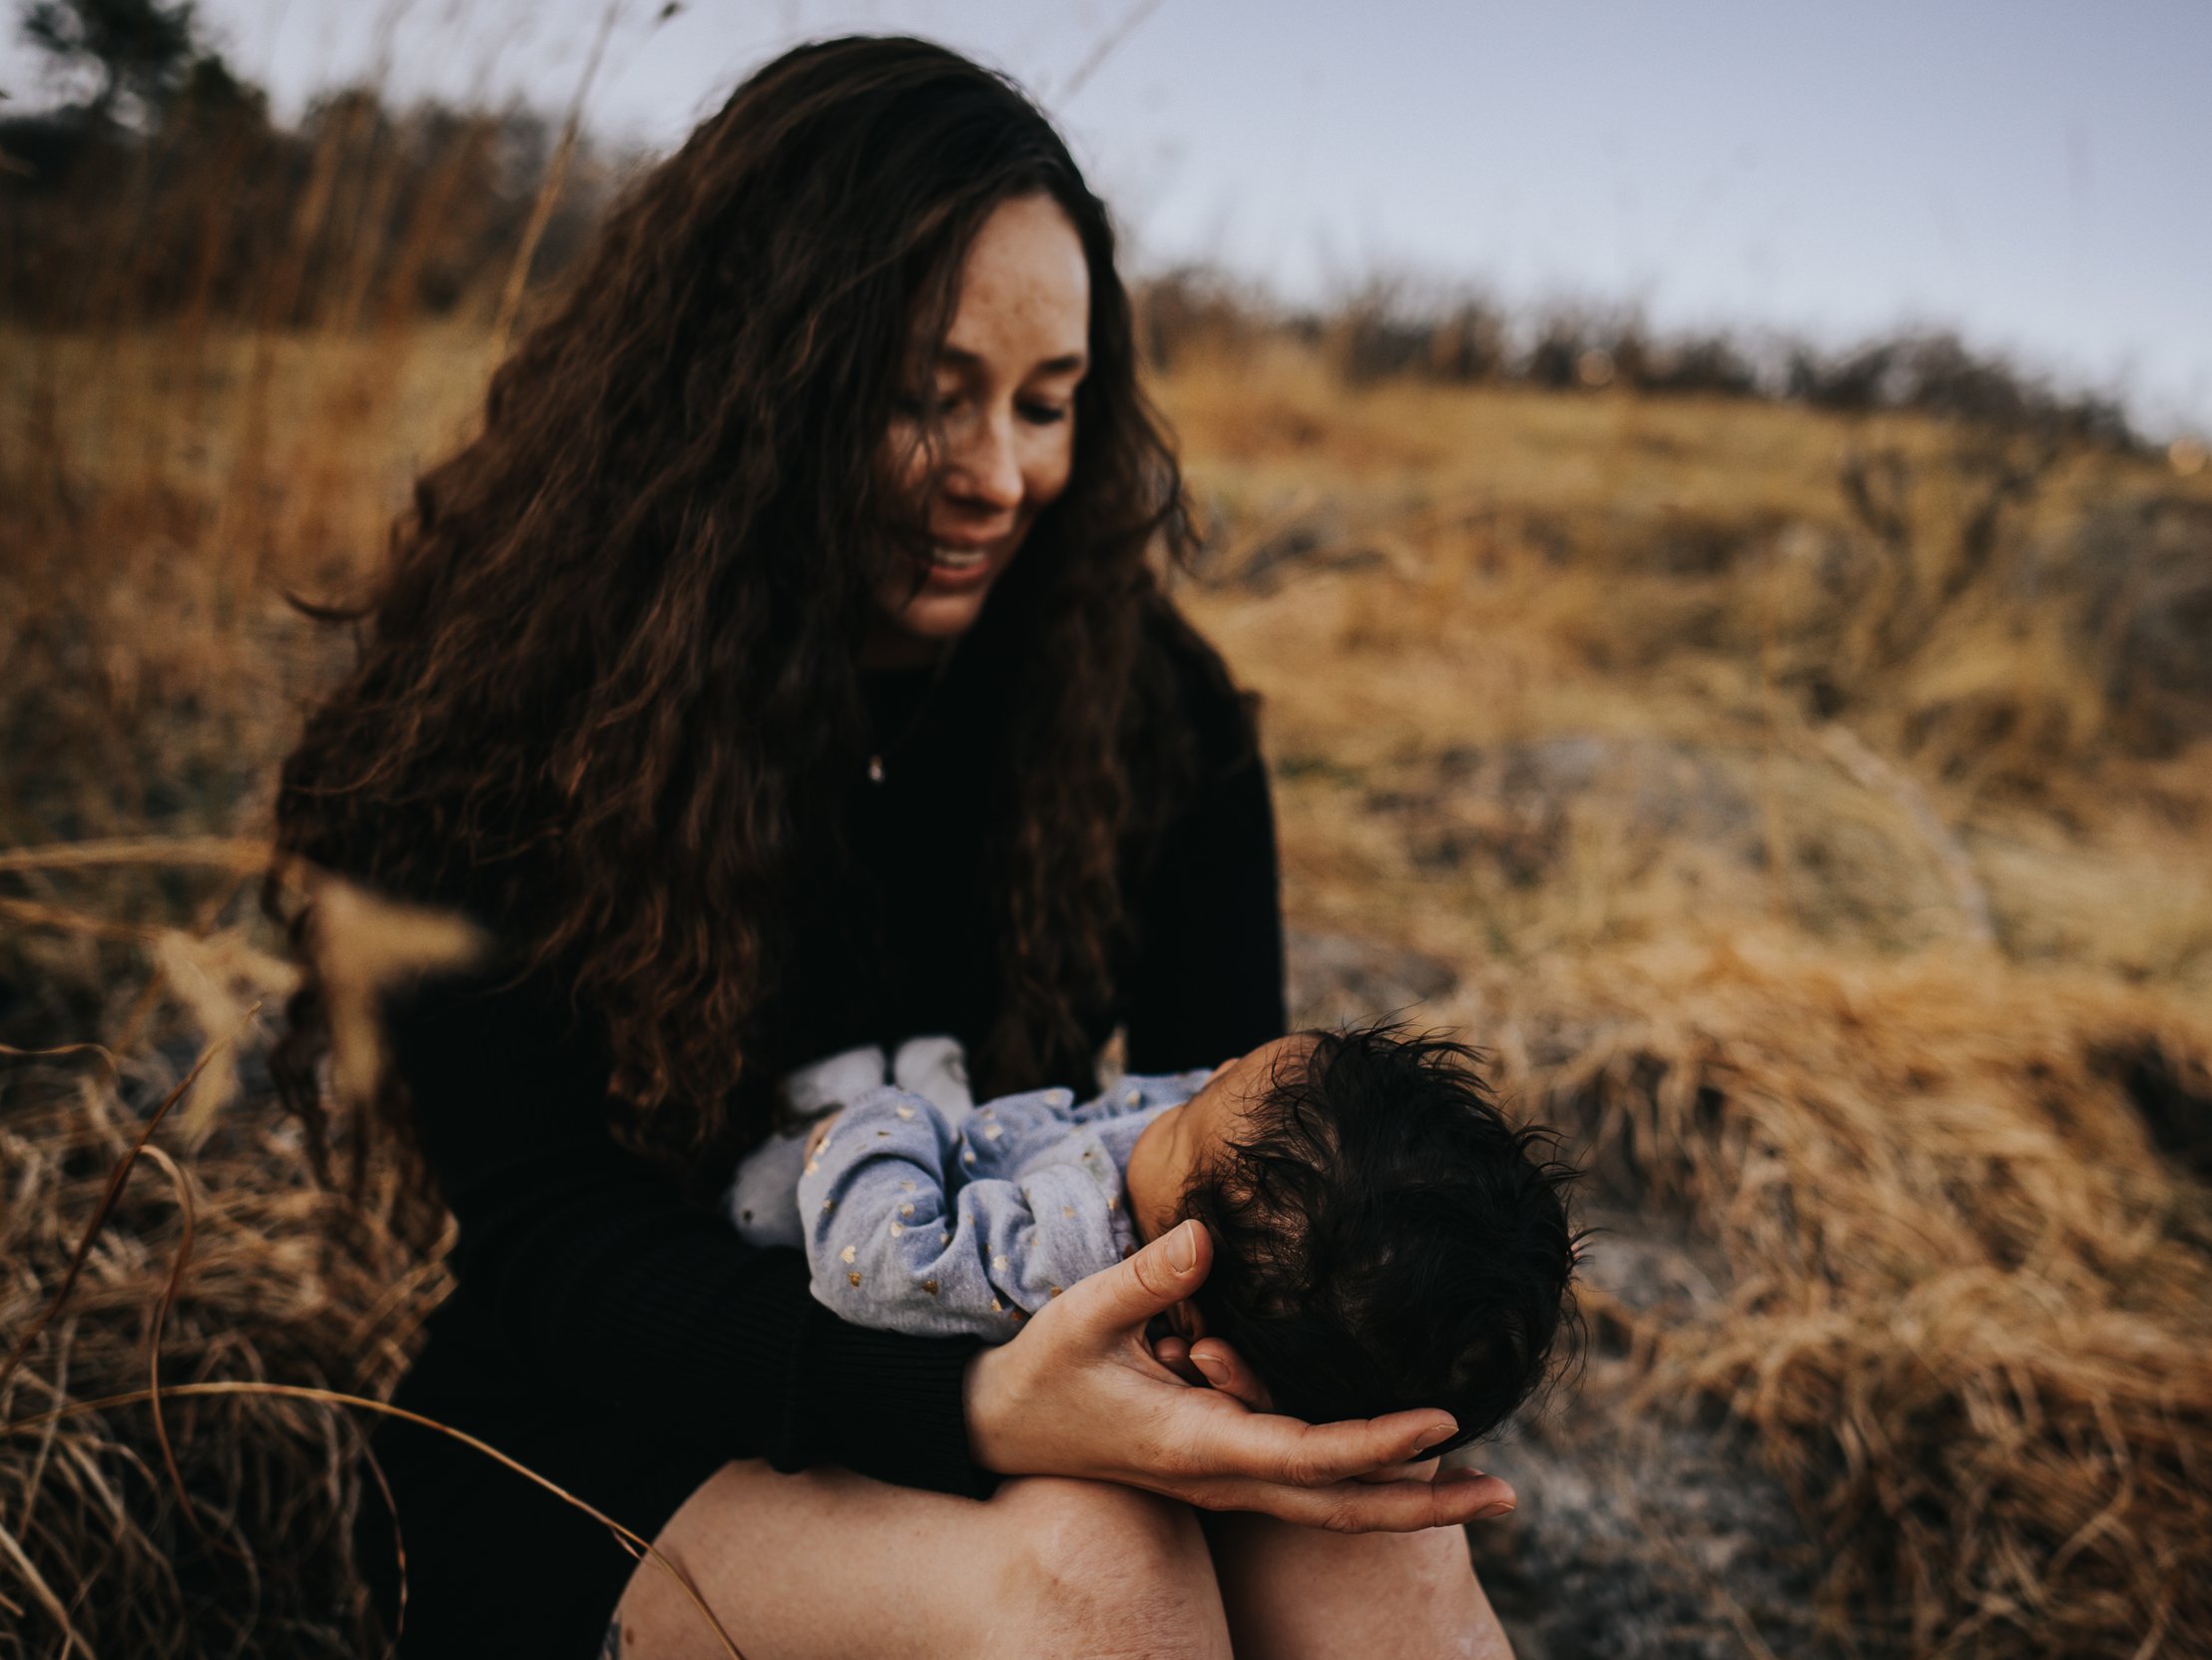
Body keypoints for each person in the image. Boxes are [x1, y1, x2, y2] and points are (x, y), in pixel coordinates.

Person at [270, 34, 1522, 1660]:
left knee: (1388, 1570)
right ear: (753, 378)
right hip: (622, 1419)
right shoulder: (501, 714)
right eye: (926, 397)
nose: (998, 476)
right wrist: (989, 1410)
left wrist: (1233, 1394)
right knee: (1097, 1583)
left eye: (1047, 402)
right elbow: (552, 1251)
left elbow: (1233, 1134)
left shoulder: (1146, 706)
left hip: (1045, 1351)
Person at [772, 1026, 1577, 1447]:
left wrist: (882, 1119)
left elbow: (878, 1258)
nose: (1208, 1071)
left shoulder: (1070, 1245)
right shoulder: (1236, 1183)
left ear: (1180, 1299)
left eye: (1196, 1102)